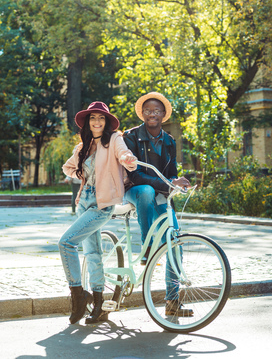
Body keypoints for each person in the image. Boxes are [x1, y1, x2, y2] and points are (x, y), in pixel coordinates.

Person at [59, 101, 137, 325]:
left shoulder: (113, 140)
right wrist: (79, 175)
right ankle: (99, 304)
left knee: (66, 243)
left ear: (107, 122)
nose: (97, 122)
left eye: (101, 118)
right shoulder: (83, 146)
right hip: (83, 201)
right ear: (87, 122)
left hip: (102, 204)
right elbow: (68, 167)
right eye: (93, 118)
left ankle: (79, 296)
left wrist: (127, 160)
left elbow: (124, 155)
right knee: (92, 254)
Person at [123, 92, 193, 317]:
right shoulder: (131, 137)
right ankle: (147, 246)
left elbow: (171, 174)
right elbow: (135, 176)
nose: (152, 113)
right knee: (146, 190)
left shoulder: (170, 140)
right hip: (136, 190)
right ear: (142, 114)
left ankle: (172, 302)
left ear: (163, 114)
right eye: (147, 110)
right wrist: (167, 184)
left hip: (160, 192)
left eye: (156, 110)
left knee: (175, 240)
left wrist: (177, 182)